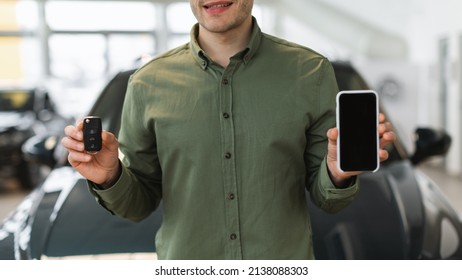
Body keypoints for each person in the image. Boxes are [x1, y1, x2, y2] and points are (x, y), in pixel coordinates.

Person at [62, 0, 395, 260]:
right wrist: (109, 177)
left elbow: (328, 199)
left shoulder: (310, 71)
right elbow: (138, 205)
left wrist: (338, 172)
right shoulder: (147, 83)